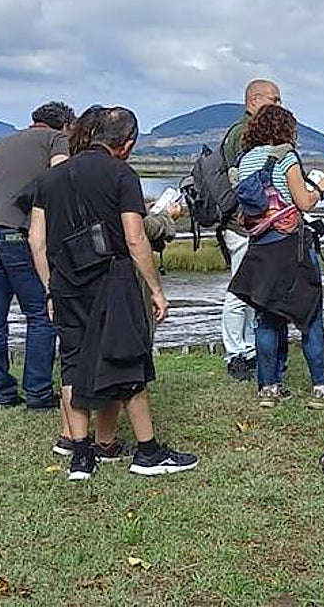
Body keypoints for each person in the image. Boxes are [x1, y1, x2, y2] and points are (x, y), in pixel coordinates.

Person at [29, 106, 198, 481]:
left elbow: (36, 241)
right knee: (127, 361)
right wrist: (156, 290)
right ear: (127, 144)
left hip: (65, 282)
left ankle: (80, 456)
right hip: (112, 278)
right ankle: (148, 452)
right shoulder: (122, 174)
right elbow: (135, 238)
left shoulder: (49, 179)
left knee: (72, 365)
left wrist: (49, 289)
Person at [0, 101, 73, 410]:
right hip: (16, 233)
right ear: (66, 125)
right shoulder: (57, 139)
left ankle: (3, 392)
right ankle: (39, 393)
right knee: (42, 312)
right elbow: (61, 176)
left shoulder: (4, 141)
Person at [228, 104, 324, 409]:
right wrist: (321, 189)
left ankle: (268, 388)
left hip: (260, 247)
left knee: (267, 318)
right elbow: (303, 202)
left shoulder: (245, 160)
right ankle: (321, 388)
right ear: (287, 130)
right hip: (292, 247)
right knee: (309, 317)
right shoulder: (286, 157)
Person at [220, 79, 283, 380]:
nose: (280, 105)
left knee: (250, 289)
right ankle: (236, 353)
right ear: (255, 100)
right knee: (239, 289)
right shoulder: (245, 134)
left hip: (247, 223)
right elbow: (244, 183)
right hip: (242, 223)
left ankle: (248, 348)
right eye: (275, 99)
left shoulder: (240, 132)